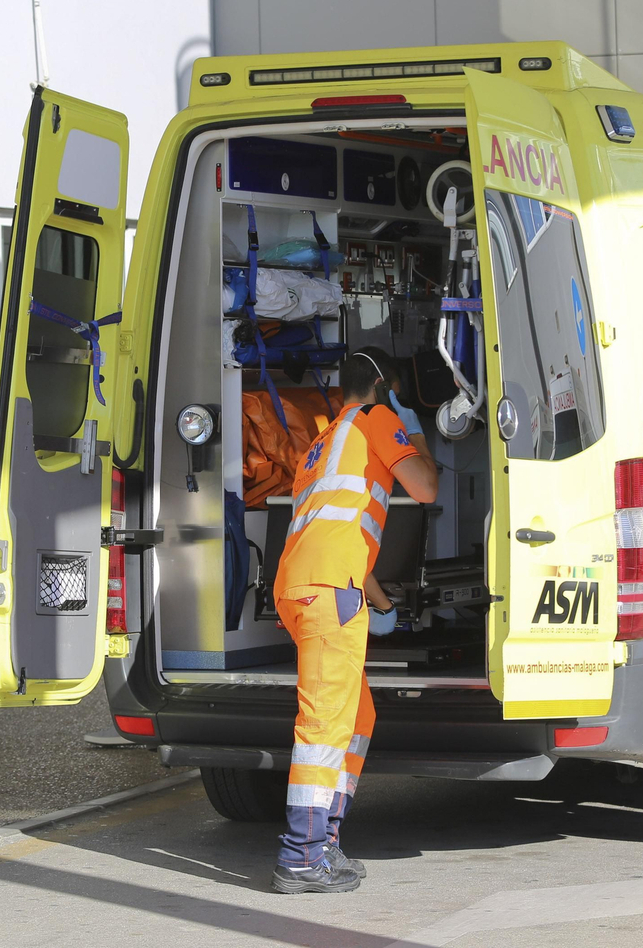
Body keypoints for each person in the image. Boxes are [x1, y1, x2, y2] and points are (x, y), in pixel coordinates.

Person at [270, 347, 438, 894]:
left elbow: (332, 526)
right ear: (383, 386)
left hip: (305, 586)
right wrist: (413, 433)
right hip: (327, 592)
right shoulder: (377, 420)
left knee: (356, 715)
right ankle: (301, 857)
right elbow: (426, 489)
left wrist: (379, 598)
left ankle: (326, 843)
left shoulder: (321, 444)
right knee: (324, 726)